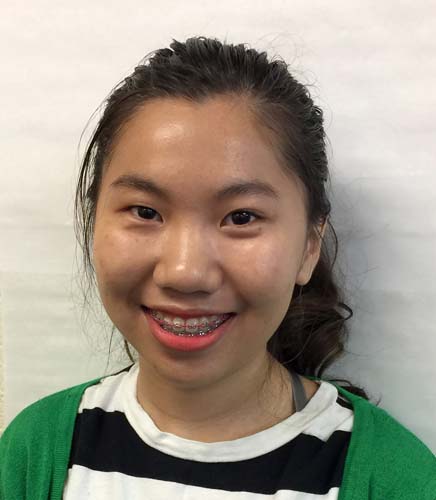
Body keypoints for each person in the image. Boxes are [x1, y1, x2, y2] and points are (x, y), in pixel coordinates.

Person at [0, 36, 435, 500]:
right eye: (145, 212)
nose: (184, 272)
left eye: (241, 217)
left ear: (310, 245)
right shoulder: (34, 450)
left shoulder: (395, 480)